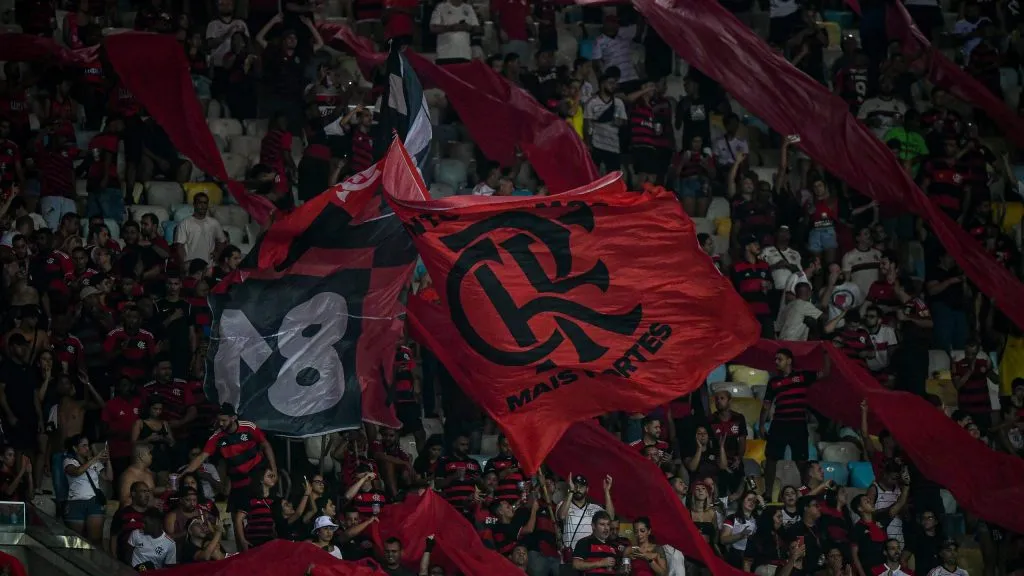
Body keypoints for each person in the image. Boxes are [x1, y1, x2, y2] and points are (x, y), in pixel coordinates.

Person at [759, 348, 830, 498]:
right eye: (775, 359)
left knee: (802, 463)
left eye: (780, 359)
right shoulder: (773, 382)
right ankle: (768, 494)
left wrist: (827, 354)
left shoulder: (802, 376)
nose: (776, 362)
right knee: (771, 460)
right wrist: (761, 425)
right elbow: (766, 405)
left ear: (789, 360)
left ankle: (808, 493)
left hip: (798, 425)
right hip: (779, 424)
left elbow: (824, 373)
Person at [184, 402, 277, 513]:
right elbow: (202, 456)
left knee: (263, 506)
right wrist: (184, 473)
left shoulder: (248, 427)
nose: (221, 423)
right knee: (238, 513)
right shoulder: (217, 436)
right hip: (237, 478)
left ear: (233, 418)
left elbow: (265, 445)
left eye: (224, 420)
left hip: (257, 471)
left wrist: (274, 468)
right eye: (219, 420)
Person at [62, 433, 112, 543]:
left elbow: (109, 477)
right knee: (75, 542)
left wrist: (107, 459)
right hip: (75, 503)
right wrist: (95, 458)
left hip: (94, 502)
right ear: (75, 448)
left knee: (95, 541)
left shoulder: (94, 462)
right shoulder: (69, 461)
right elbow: (77, 471)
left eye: (87, 445)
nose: (87, 448)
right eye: (84, 445)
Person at [556, 473, 615, 551]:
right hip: (570, 555)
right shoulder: (563, 505)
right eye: (575, 486)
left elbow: (610, 517)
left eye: (581, 487)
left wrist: (607, 492)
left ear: (587, 489)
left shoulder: (594, 508)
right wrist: (571, 491)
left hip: (590, 554)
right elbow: (562, 516)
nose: (578, 489)